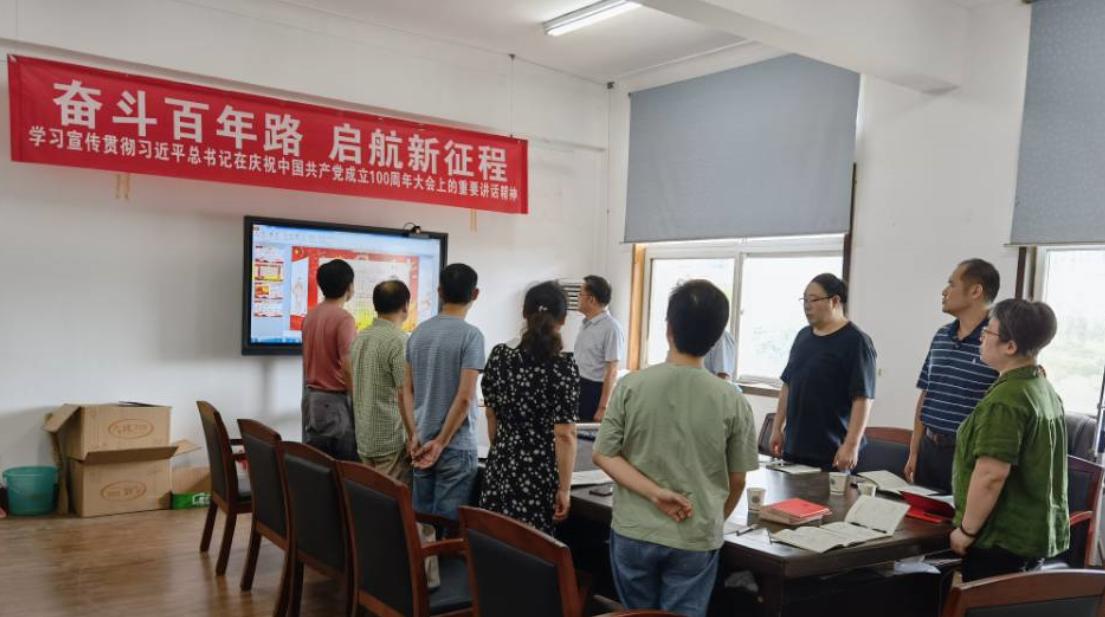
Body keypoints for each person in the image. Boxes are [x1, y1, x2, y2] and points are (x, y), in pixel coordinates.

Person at [593, 280, 759, 617]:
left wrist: (655, 494)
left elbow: (604, 454)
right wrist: (712, 521)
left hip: (634, 531)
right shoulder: (733, 400)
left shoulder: (631, 385)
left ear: (668, 329)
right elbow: (738, 480)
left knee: (637, 614)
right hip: (695, 536)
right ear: (717, 337)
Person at [950, 299, 1068, 582]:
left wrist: (966, 530)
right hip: (1030, 534)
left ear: (1010, 346)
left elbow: (991, 474)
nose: (981, 338)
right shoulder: (1042, 388)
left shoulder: (1007, 400)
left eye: (987, 332)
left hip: (1001, 538)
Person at [480, 281, 580, 534]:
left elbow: (491, 414)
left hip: (501, 465)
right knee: (531, 547)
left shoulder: (500, 355)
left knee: (496, 541)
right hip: (540, 474)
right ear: (563, 320)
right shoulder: (563, 366)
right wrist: (565, 489)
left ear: (524, 313)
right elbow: (565, 434)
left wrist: (504, 451)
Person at [904, 259, 1000, 493]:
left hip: (969, 454)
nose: (944, 291)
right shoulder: (941, 335)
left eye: (951, 284)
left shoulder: (997, 340)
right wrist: (914, 451)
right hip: (929, 449)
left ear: (975, 291)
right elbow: (927, 393)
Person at [769, 274, 876, 470]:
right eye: (804, 300)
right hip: (793, 449)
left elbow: (863, 398)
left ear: (835, 301)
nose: (807, 306)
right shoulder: (803, 336)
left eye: (813, 299)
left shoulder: (856, 342)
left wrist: (851, 445)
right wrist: (777, 427)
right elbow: (788, 385)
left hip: (831, 453)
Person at [404, 263, 486, 520]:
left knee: (423, 527)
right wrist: (441, 442)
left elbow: (405, 390)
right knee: (449, 531)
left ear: (439, 291)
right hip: (455, 447)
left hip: (421, 444)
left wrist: (414, 434)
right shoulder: (471, 336)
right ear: (475, 294)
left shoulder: (418, 333)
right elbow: (465, 398)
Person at [350, 280, 418, 484]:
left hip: (365, 438)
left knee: (369, 496)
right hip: (391, 440)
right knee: (389, 500)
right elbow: (403, 393)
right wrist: (412, 435)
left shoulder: (361, 337)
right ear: (405, 306)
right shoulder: (399, 341)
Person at [301, 259, 358, 461]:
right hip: (334, 404)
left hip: (311, 400)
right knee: (344, 466)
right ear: (349, 288)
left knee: (319, 466)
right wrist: (357, 401)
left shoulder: (310, 315)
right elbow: (348, 367)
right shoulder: (344, 319)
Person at [574, 275, 625, 422]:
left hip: (594, 390)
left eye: (580, 294)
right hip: (579, 385)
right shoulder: (586, 323)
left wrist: (602, 407)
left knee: (587, 433)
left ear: (591, 300)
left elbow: (612, 371)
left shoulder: (611, 328)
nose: (577, 298)